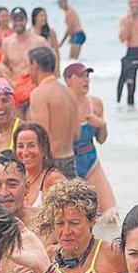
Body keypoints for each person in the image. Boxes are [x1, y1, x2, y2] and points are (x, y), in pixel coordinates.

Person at [64, 62, 119, 221]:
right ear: (68, 80)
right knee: (75, 217)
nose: (86, 80)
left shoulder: (95, 103)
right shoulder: (62, 104)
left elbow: (102, 140)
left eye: (87, 76)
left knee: (111, 216)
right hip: (68, 163)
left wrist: (102, 125)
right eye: (80, 76)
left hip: (90, 160)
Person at [28, 46, 80, 178]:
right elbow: (76, 135)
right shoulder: (69, 93)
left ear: (35, 65)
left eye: (29, 65)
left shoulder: (39, 94)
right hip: (70, 160)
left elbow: (40, 137)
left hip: (51, 164)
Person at [16, 122, 67, 208]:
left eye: (31, 146)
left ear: (44, 149)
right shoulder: (19, 176)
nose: (24, 153)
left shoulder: (54, 179)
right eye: (20, 146)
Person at [1, 7, 48, 85]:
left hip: (35, 86)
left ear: (26, 20)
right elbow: (3, 65)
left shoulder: (39, 41)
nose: (18, 23)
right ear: (11, 21)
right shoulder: (7, 42)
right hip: (17, 85)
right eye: (15, 20)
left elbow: (51, 64)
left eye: (21, 20)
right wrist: (11, 82)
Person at [32, 7, 60, 74]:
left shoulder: (50, 32)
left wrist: (57, 68)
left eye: (45, 16)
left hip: (48, 65)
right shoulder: (30, 32)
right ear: (35, 17)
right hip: (35, 64)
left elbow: (56, 51)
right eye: (41, 16)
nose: (44, 18)